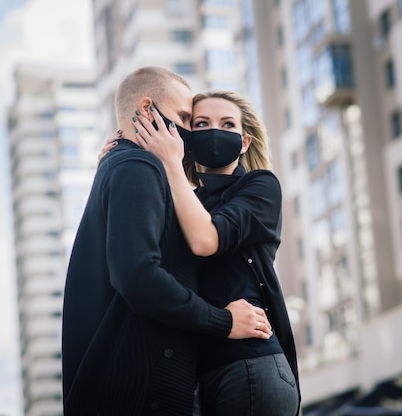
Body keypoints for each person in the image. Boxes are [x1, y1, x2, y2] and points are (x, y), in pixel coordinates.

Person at [61, 67, 273, 416]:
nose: (190, 133)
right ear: (147, 110)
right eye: (185, 119)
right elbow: (139, 276)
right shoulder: (137, 167)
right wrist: (225, 321)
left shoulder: (128, 168)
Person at [131, 90, 301, 416]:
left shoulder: (260, 186)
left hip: (250, 365)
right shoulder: (182, 199)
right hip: (197, 379)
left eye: (227, 124)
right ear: (187, 138)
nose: (214, 131)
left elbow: (205, 240)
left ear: (245, 141)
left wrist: (170, 162)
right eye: (202, 123)